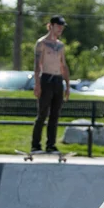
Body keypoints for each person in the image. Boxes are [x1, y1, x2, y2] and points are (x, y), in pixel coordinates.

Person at [31, 15, 71, 152]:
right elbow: (37, 65)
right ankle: (35, 145)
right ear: (51, 25)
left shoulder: (60, 45)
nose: (60, 29)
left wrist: (67, 85)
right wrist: (37, 84)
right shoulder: (41, 43)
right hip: (46, 79)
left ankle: (51, 144)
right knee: (42, 114)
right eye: (58, 26)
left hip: (58, 80)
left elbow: (63, 65)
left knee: (55, 115)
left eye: (62, 27)